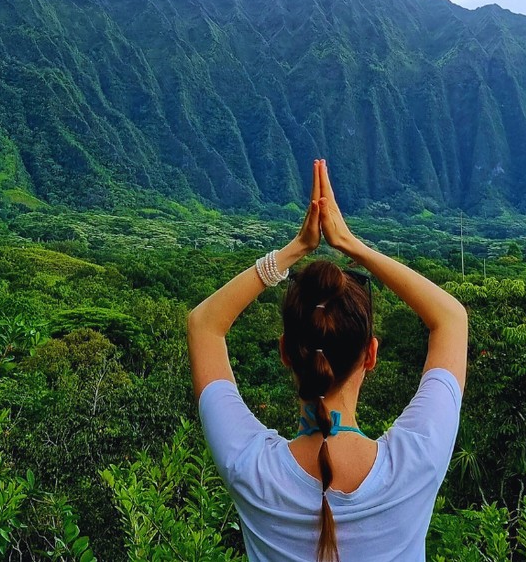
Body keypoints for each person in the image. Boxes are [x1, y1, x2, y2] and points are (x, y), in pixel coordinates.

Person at [188, 159, 468, 562]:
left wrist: (293, 251)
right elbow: (451, 318)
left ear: (285, 351)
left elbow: (204, 325)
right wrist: (351, 244)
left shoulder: (250, 467)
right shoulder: (417, 462)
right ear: (370, 354)